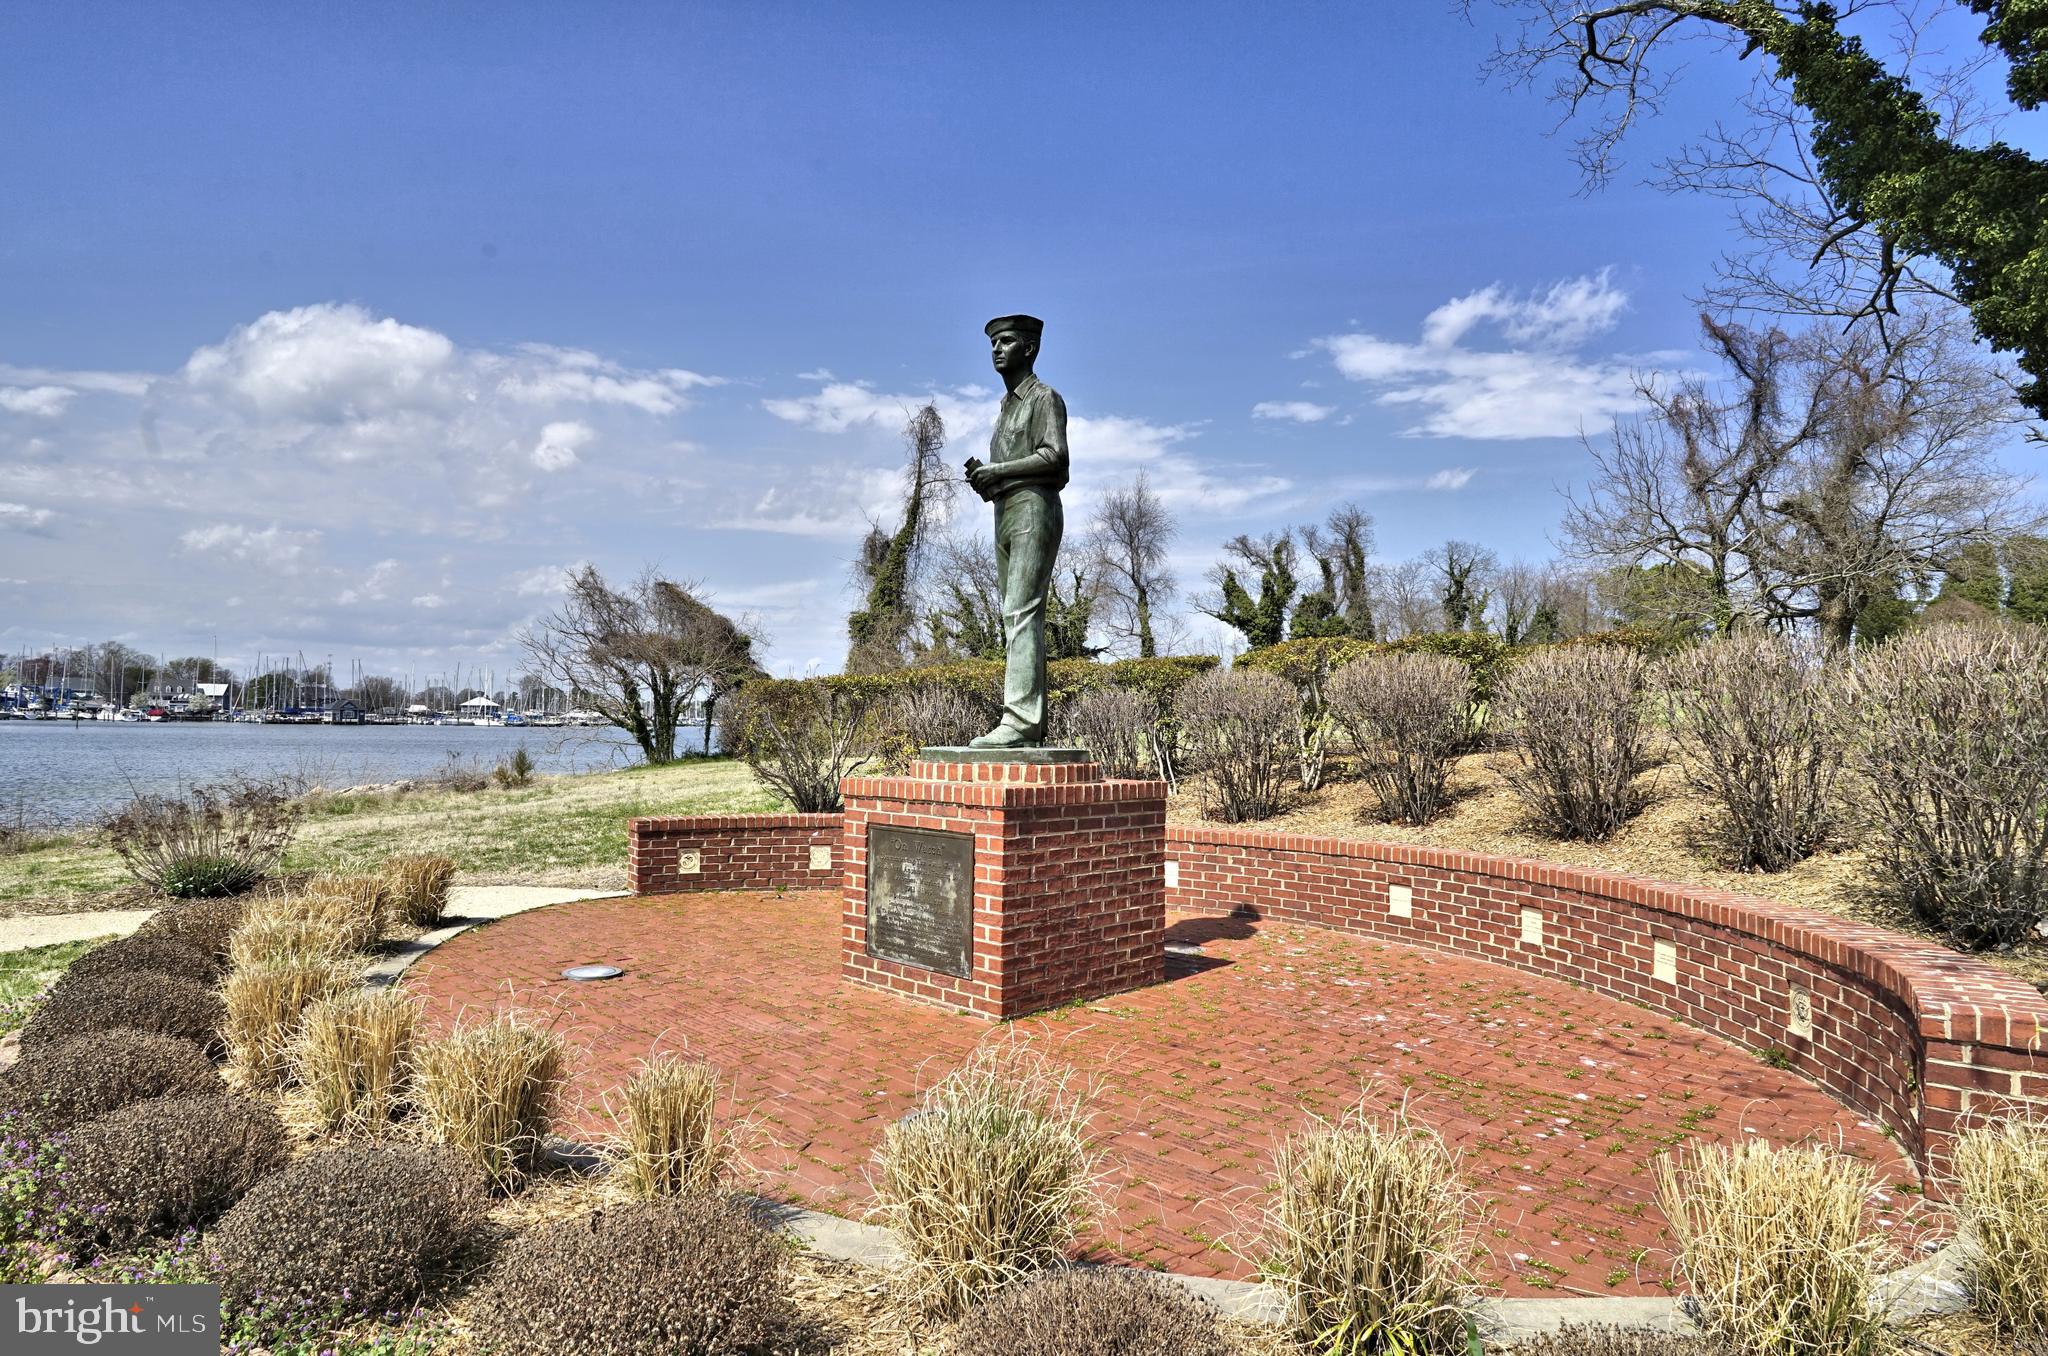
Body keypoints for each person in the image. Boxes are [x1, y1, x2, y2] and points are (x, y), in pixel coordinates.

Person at [963, 314, 1068, 748]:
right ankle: (1026, 721)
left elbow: (1055, 458)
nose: (996, 349)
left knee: (1022, 611)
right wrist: (987, 481)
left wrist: (999, 471)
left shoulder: (1045, 398)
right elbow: (1008, 471)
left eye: (1006, 341)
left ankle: (1021, 720)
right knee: (1013, 614)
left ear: (1030, 348)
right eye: (993, 343)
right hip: (1005, 511)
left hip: (1033, 508)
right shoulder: (1005, 409)